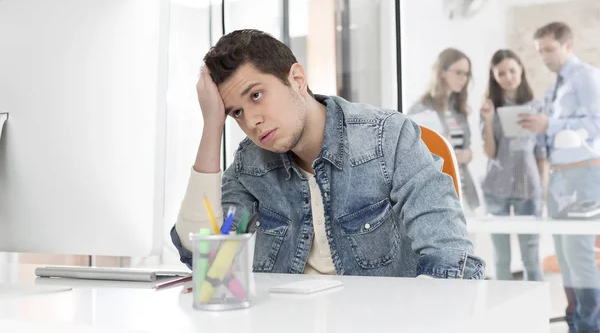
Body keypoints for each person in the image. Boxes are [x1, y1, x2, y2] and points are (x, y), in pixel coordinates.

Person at [170, 29, 484, 279]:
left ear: (296, 79)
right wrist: (212, 126)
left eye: (256, 95)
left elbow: (451, 258)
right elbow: (205, 258)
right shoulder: (251, 163)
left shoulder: (388, 137)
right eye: (236, 112)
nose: (251, 121)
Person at [520, 22, 600, 332]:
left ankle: (590, 326)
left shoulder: (587, 77)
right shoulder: (555, 86)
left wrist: (549, 124)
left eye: (550, 50)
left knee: (578, 254)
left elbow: (596, 124)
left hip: (584, 174)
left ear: (568, 45)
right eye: (540, 52)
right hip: (560, 176)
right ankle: (575, 323)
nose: (545, 57)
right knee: (565, 256)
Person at [480, 49, 545, 282]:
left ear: (521, 70)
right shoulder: (490, 107)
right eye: (501, 73)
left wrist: (543, 187)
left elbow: (541, 151)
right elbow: (490, 152)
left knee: (531, 255)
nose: (508, 77)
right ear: (494, 77)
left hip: (528, 187)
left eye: (512, 70)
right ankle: (502, 312)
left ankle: (536, 312)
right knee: (501, 257)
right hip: (496, 188)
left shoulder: (537, 107)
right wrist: (488, 120)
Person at [407, 48, 480, 214]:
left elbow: (465, 146)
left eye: (466, 74)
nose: (463, 79)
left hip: (463, 188)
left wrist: (467, 154)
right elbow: (411, 151)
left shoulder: (459, 111)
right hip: (438, 189)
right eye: (459, 72)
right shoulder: (420, 109)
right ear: (442, 72)